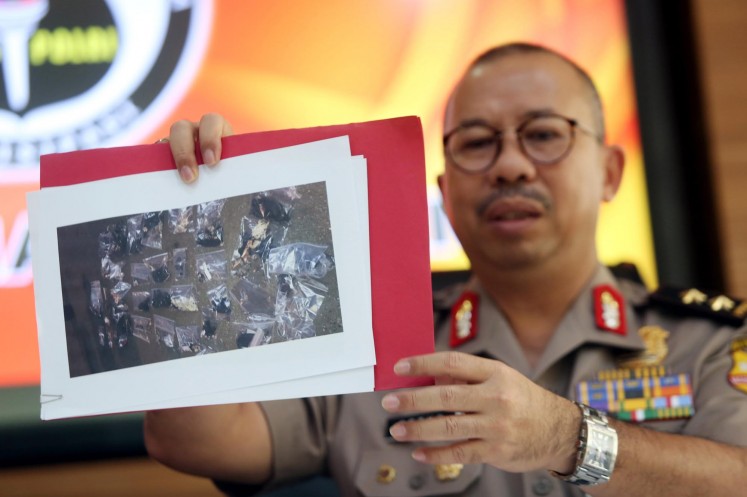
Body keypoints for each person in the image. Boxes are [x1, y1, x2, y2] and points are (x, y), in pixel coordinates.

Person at [143, 43, 747, 496]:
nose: (510, 166)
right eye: (478, 142)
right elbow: (193, 440)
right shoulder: (369, 348)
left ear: (611, 172)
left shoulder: (711, 344)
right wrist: (202, 238)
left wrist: (567, 439)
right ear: (444, 188)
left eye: (542, 134)